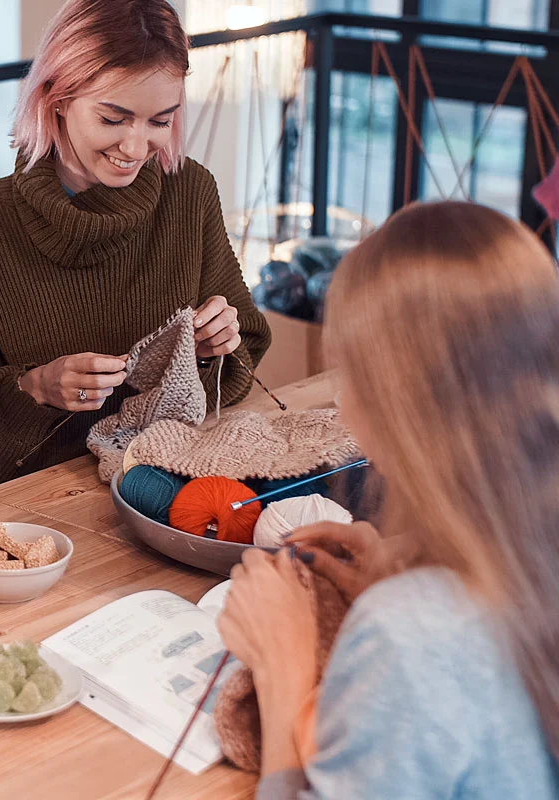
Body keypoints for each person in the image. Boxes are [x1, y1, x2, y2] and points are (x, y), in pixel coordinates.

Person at [218, 202, 559, 798]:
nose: (343, 404)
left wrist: (283, 671)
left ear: (400, 404)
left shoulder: (410, 637)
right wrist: (413, 568)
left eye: (353, 375)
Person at [0, 0, 270, 505]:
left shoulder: (189, 193)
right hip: (20, 509)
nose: (137, 147)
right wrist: (34, 390)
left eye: (159, 121)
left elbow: (242, 355)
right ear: (56, 97)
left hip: (154, 487)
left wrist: (214, 348)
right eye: (114, 119)